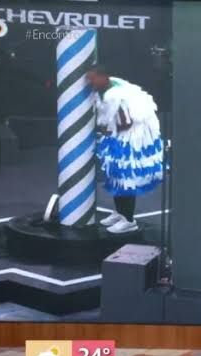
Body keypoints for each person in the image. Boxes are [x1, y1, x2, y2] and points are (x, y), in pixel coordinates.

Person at [86, 65, 164, 233]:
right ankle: (120, 213)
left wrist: (105, 130)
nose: (90, 83)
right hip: (119, 137)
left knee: (125, 180)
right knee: (116, 177)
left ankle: (129, 220)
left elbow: (126, 122)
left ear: (102, 77)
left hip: (129, 139)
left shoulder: (116, 96)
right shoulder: (107, 88)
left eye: (93, 79)